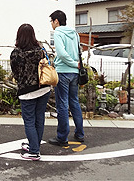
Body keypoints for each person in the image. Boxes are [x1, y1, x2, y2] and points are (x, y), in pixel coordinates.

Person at [10, 24, 51, 161]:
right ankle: (35, 145)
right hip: (44, 87)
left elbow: (15, 73)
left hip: (27, 91)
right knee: (39, 118)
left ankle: (34, 151)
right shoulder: (40, 50)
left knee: (29, 120)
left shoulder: (16, 53)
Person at [48, 10, 84, 146]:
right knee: (74, 101)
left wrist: (72, 63)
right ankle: (79, 134)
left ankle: (62, 137)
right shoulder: (74, 33)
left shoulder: (58, 32)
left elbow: (62, 54)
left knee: (62, 104)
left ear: (56, 21)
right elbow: (78, 51)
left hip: (63, 71)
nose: (51, 24)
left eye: (51, 21)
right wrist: (76, 65)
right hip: (75, 72)